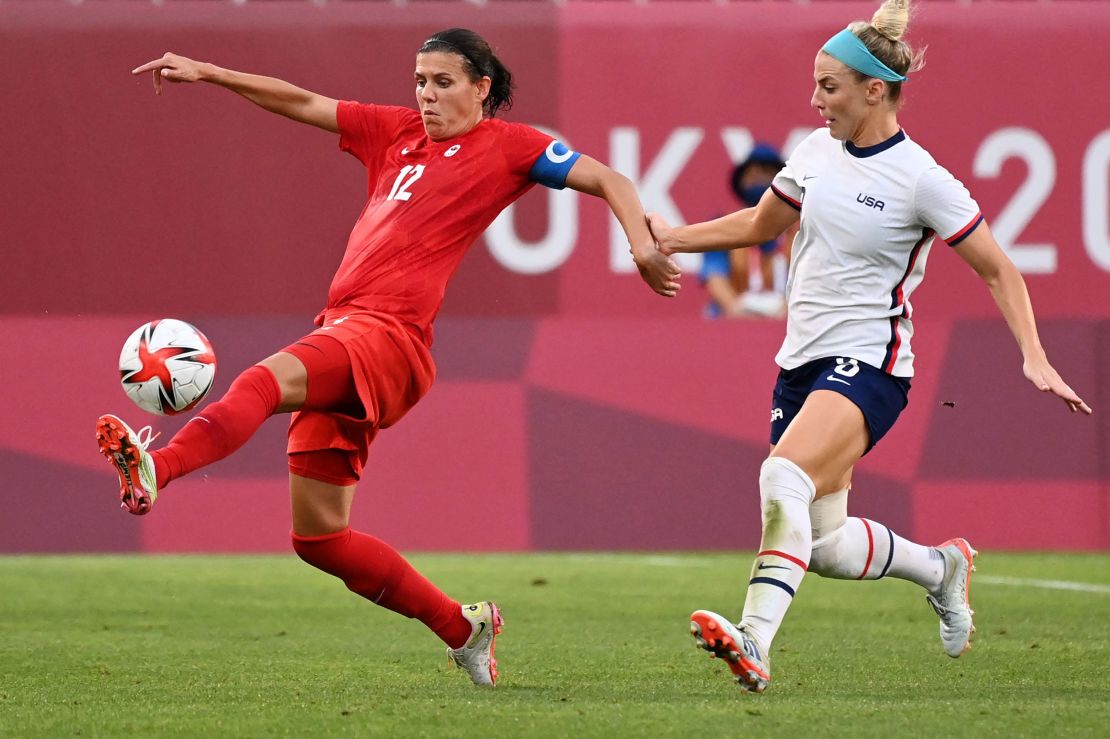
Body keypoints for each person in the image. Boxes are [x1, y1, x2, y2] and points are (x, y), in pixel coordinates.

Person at [97, 28, 680, 688]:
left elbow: (608, 177)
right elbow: (302, 102)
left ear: (482, 88)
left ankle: (158, 466)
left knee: (264, 379)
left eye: (443, 83)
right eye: (420, 82)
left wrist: (642, 245)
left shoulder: (510, 146)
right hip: (346, 330)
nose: (427, 97)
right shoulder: (393, 133)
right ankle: (464, 627)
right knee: (319, 539)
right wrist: (209, 71)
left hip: (389, 339)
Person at [648, 0, 1091, 693]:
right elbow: (762, 222)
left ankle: (754, 639)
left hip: (872, 364)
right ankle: (941, 567)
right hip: (801, 363)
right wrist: (671, 236)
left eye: (828, 86)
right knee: (823, 544)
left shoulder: (921, 177)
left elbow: (998, 267)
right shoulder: (816, 150)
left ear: (873, 90)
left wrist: (1033, 354)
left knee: (781, 477)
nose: (815, 98)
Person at [701, 144, 791, 319]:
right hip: (735, 321)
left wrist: (787, 312)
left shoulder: (802, 229)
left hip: (788, 319)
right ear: (741, 182)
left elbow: (812, 279)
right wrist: (735, 310)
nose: (757, 178)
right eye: (751, 173)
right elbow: (714, 276)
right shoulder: (721, 226)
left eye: (766, 172)